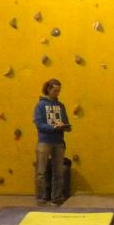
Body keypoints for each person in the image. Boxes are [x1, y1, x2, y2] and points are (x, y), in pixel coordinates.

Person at [33, 78, 71, 206]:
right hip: (44, 141)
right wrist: (53, 127)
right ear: (48, 89)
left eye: (59, 91)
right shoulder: (40, 105)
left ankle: (57, 197)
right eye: (55, 90)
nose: (57, 93)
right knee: (41, 171)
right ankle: (41, 198)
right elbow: (39, 124)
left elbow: (65, 121)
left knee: (58, 172)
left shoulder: (61, 106)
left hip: (58, 142)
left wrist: (65, 126)